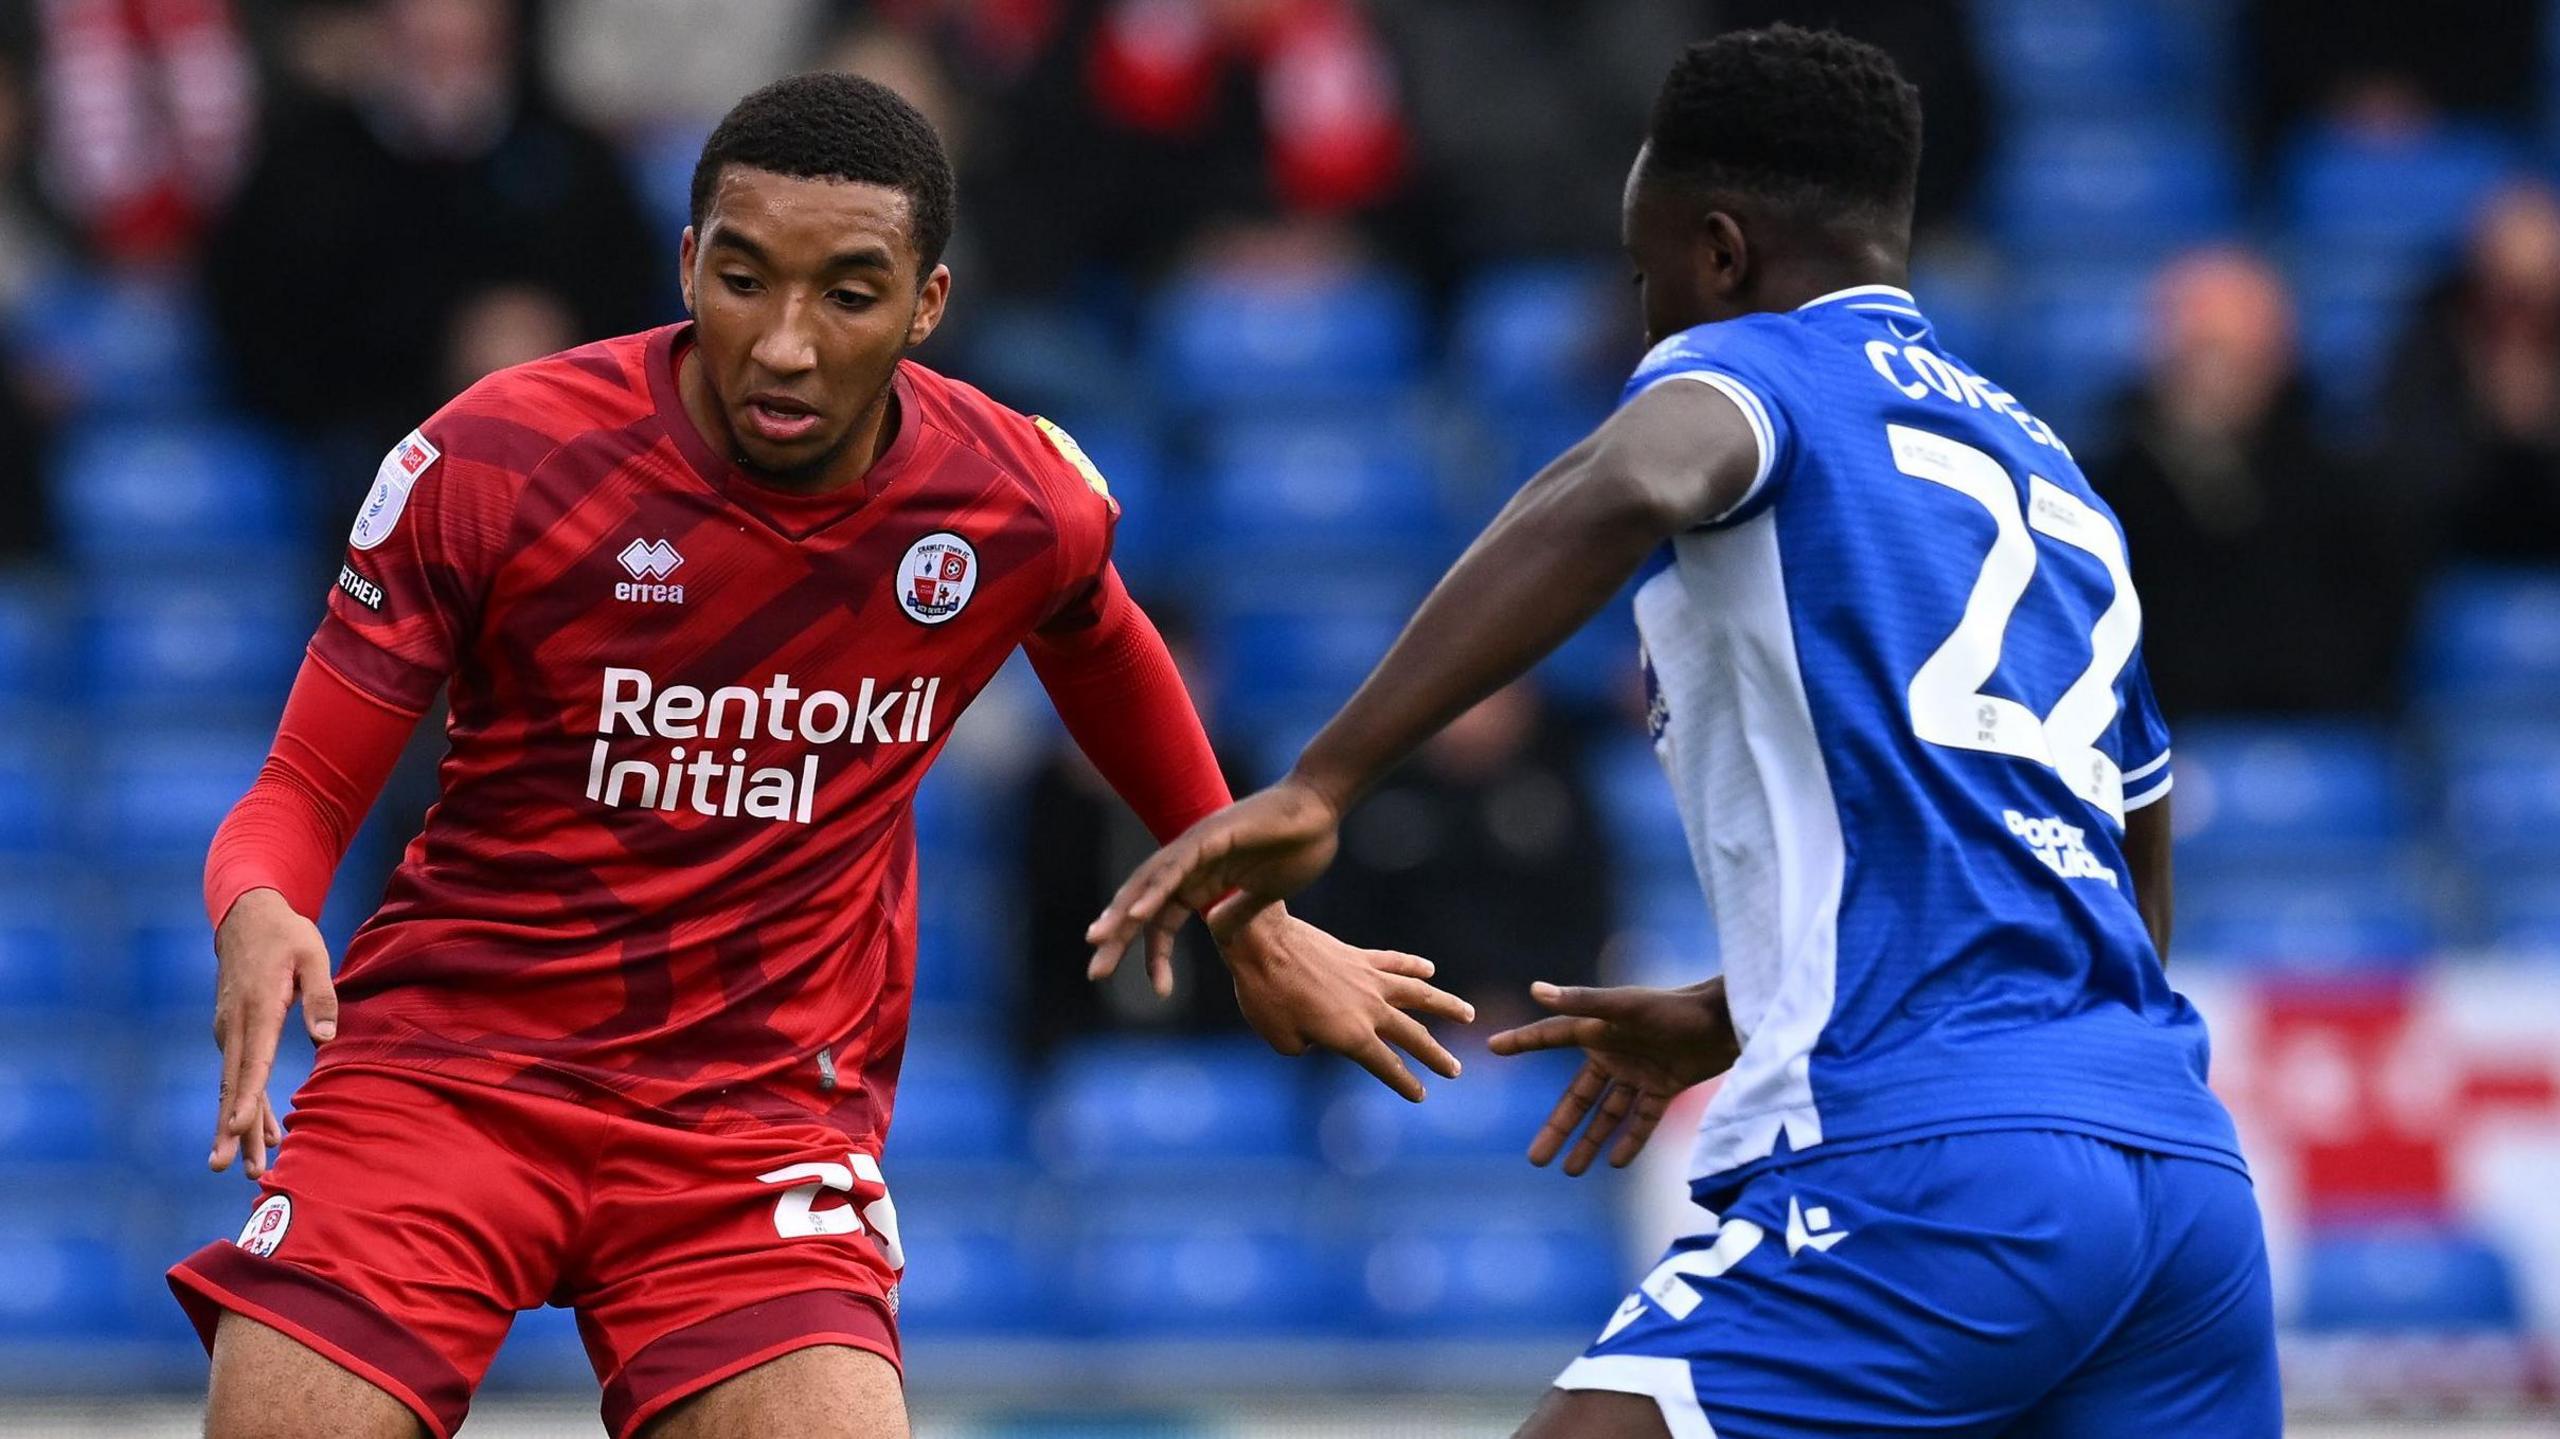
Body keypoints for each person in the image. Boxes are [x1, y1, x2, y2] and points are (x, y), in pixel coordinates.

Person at [171, 73, 1469, 1439]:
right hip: (453, 1070)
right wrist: (261, 904)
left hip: (753, 1121)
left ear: (927, 304)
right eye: (742, 279)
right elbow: (304, 789)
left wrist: (1247, 914)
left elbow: (1103, 643)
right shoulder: (498, 461)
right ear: (686, 264)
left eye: (848, 294)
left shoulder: (1011, 498)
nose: (783, 344)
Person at [1089, 27, 2276, 1438]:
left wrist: (1329, 775)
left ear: (1717, 254)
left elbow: (1632, 477)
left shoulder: (1754, 371)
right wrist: (1750, 1000)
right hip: (2180, 1183)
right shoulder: (2059, 479)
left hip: (1930, 1163)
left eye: (1642, 269)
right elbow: (2119, 888)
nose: (1642, 307)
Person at [2089, 247, 2405, 715]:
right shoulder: (2102, 492)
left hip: (2314, 736)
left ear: (2280, 354)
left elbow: (2370, 638)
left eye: (2237, 353)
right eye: (2201, 349)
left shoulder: (2346, 490)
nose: (2216, 377)